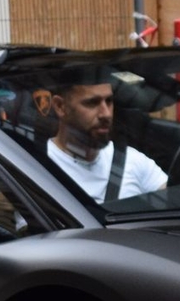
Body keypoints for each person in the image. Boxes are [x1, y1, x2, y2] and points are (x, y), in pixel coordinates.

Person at [42, 60, 168, 204]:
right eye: (92, 103)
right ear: (60, 106)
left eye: (109, 101)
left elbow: (175, 208)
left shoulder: (133, 162)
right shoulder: (37, 168)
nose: (106, 114)